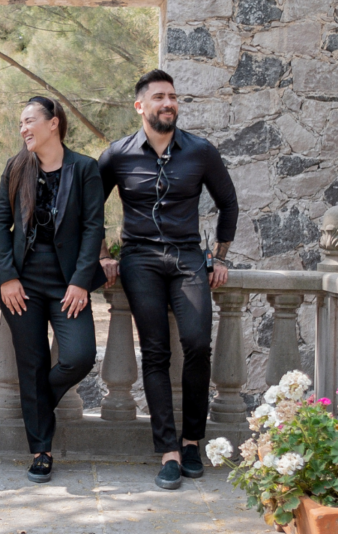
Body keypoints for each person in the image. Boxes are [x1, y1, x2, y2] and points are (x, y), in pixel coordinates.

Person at [97, 70, 239, 490]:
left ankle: (193, 440)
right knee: (155, 352)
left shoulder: (201, 151)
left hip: (188, 258)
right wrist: (104, 255)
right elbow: (90, 210)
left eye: (173, 97)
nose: (168, 103)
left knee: (197, 342)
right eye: (159, 97)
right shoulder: (117, 154)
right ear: (140, 106)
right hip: (138, 259)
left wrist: (219, 256)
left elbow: (228, 204)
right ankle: (169, 452)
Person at [0, 97, 107, 483]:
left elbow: (93, 228)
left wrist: (79, 280)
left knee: (80, 355)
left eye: (29, 121)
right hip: (22, 285)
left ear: (53, 123)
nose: (23, 129)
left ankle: (38, 401)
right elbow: (1, 226)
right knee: (32, 362)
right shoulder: (15, 167)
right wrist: (6, 276)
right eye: (20, 123)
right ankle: (41, 450)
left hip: (66, 283)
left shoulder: (85, 168)